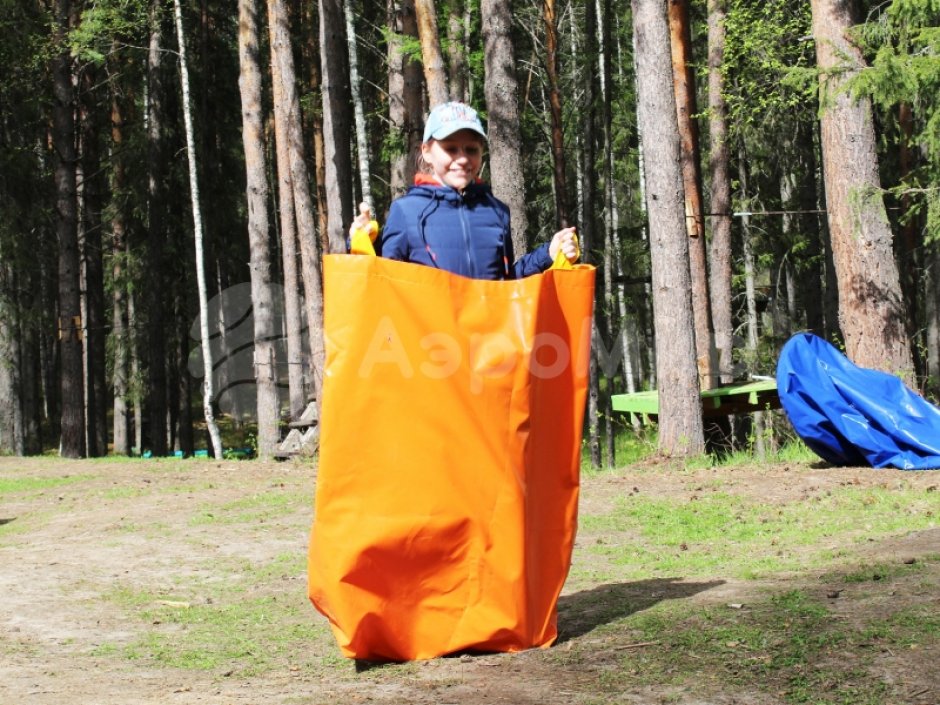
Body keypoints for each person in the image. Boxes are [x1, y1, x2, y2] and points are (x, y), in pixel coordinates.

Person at [349, 101, 579, 280]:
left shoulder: (496, 212)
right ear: (427, 152)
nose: (462, 159)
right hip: (427, 340)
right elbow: (385, 283)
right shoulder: (406, 211)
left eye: (471, 149)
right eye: (450, 149)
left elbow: (505, 287)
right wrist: (363, 243)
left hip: (488, 339)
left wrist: (547, 255)